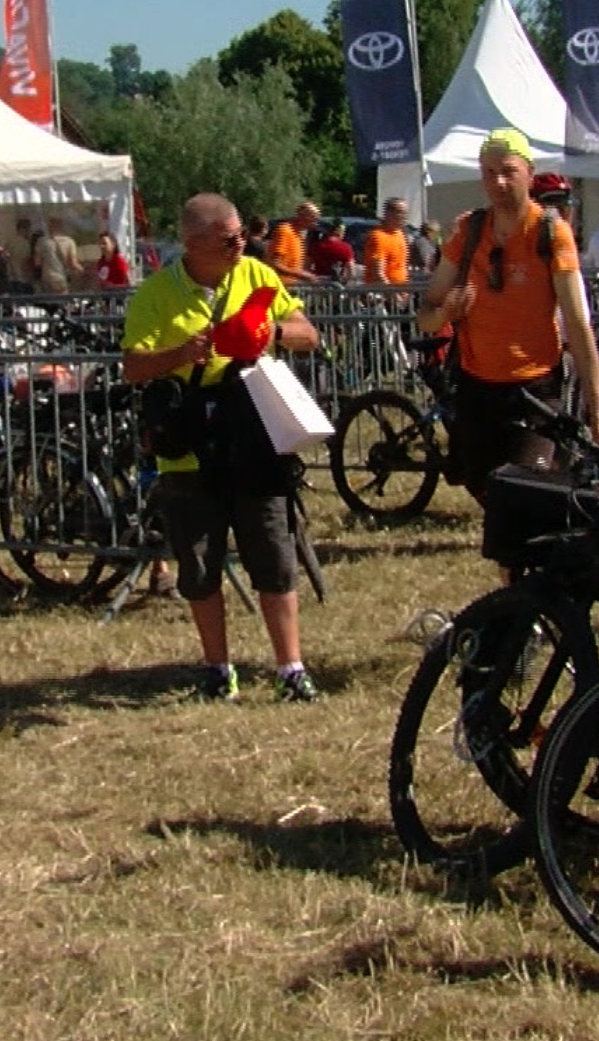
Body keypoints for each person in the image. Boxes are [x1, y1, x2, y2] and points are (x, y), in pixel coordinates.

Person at [120, 192, 325, 703]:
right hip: (188, 445)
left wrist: (271, 330)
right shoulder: (155, 295)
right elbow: (132, 366)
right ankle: (217, 669)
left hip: (254, 432)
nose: (242, 244)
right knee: (199, 562)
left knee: (273, 552)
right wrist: (181, 353)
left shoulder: (256, 275)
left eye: (243, 235)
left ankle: (291, 669)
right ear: (193, 243)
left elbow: (308, 333)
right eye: (229, 238)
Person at [414, 131, 599, 499]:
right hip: (477, 387)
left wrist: (598, 414)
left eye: (508, 171)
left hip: (535, 387)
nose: (499, 182)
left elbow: (577, 323)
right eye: (489, 172)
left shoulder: (551, 233)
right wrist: (446, 311)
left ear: (529, 172)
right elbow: (425, 317)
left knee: (526, 491)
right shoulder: (469, 231)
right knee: (485, 489)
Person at [362, 200, 413, 286]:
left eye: (405, 213)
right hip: (382, 293)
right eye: (400, 212)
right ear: (388, 214)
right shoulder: (378, 237)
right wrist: (392, 294)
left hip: (401, 290)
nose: (404, 217)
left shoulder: (400, 234)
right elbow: (377, 272)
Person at [267, 202, 320, 283]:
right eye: (314, 219)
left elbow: (293, 266)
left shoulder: (298, 236)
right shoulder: (285, 231)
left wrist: (304, 274)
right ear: (303, 216)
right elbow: (275, 264)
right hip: (278, 287)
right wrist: (301, 275)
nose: (315, 223)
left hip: (290, 287)